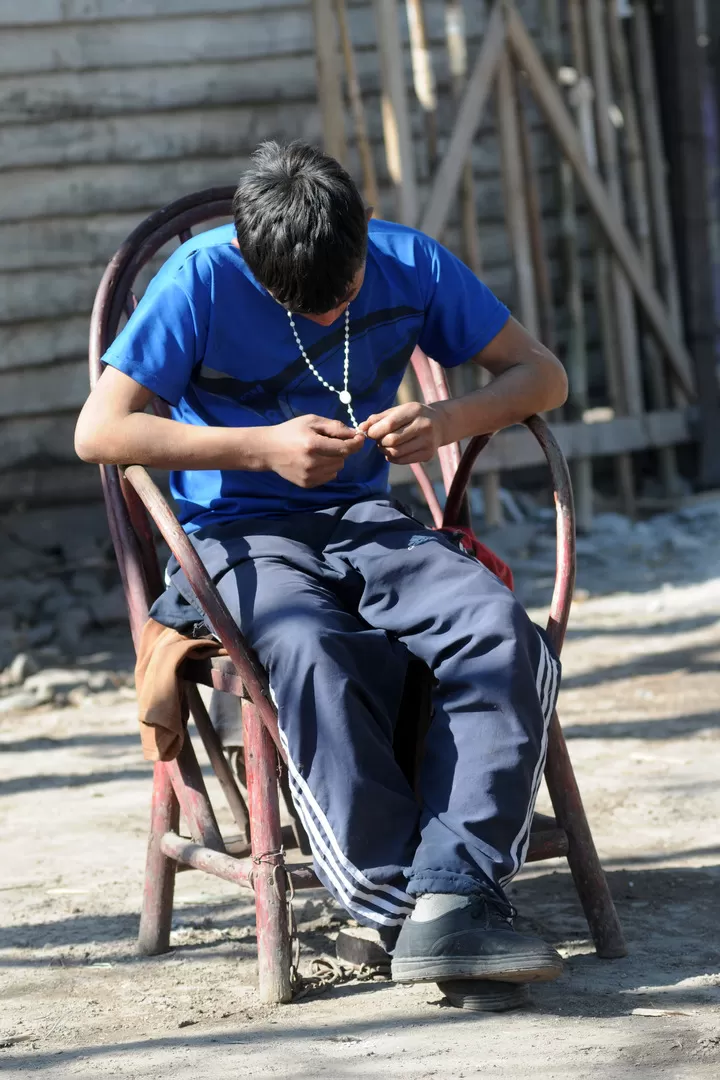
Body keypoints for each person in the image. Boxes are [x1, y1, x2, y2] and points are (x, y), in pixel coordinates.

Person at [75, 141, 569, 1009]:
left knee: (498, 631)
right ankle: (392, 899)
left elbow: (544, 377)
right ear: (251, 263)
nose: (325, 317)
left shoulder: (410, 262)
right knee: (309, 648)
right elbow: (101, 433)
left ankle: (453, 890)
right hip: (234, 537)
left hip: (367, 524)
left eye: (339, 295)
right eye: (294, 303)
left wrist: (447, 419)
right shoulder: (200, 278)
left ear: (363, 243)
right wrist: (261, 447)